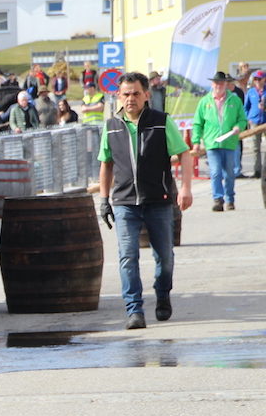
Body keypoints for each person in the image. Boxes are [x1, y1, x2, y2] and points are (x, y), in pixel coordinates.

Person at [98, 71, 193, 330]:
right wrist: (104, 199)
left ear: (146, 95)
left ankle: (162, 293)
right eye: (126, 94)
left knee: (165, 257)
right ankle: (134, 310)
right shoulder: (111, 126)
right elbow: (106, 164)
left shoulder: (161, 122)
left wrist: (185, 188)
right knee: (127, 257)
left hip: (158, 201)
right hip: (125, 202)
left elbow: (184, 154)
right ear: (119, 96)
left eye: (136, 93)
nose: (131, 98)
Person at [191, 71, 247, 211]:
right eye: (216, 83)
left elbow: (242, 119)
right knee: (215, 172)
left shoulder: (234, 100)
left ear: (225, 84)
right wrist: (196, 141)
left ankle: (230, 199)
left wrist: (238, 127)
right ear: (212, 84)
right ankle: (217, 199)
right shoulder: (205, 101)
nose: (219, 86)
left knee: (230, 173)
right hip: (212, 143)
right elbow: (197, 123)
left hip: (229, 142)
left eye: (221, 83)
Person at [244, 70, 266, 179]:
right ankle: (257, 170)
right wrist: (249, 118)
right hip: (255, 122)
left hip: (265, 121)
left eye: (259, 79)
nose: (257, 81)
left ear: (264, 79)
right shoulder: (251, 92)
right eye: (255, 79)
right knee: (255, 147)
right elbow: (246, 107)